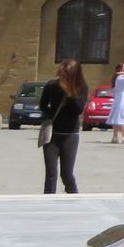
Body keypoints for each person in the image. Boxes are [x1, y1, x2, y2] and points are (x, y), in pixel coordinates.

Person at [38, 58, 87, 194]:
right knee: (51, 173)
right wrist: (51, 114)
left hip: (70, 136)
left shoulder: (81, 88)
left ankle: (74, 197)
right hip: (52, 135)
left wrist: (70, 93)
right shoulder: (51, 86)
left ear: (74, 75)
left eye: (66, 75)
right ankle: (48, 202)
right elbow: (43, 105)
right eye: (61, 74)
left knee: (66, 174)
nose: (62, 78)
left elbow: (78, 110)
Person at [107, 63, 124, 144]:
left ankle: (115, 137)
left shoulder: (118, 78)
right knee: (122, 118)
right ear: (121, 69)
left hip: (119, 98)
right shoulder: (121, 77)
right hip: (122, 99)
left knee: (116, 118)